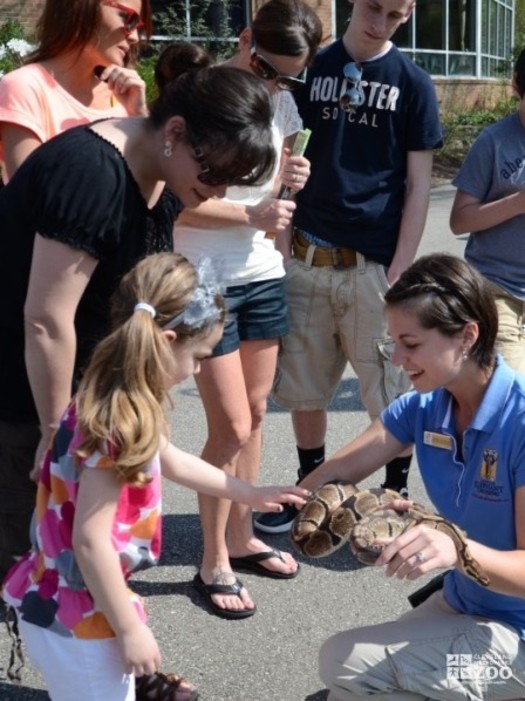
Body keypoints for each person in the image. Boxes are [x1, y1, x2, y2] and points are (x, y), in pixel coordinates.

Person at [0, 60, 276, 585]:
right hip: (25, 395)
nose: (218, 191)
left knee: (77, 564)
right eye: (215, 174)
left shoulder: (159, 171)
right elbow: (46, 318)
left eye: (232, 182)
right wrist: (55, 433)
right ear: (176, 132)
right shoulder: (91, 174)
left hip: (86, 398)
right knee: (30, 567)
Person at [2, 251, 309, 701]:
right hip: (78, 613)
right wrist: (129, 630)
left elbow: (172, 458)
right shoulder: (123, 423)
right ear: (166, 340)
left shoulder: (106, 391)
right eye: (200, 356)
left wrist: (249, 491)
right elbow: (90, 540)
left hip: (70, 588)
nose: (200, 368)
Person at [293, 253, 525, 701]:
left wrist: (455, 548)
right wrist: (266, 499)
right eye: (392, 344)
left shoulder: (520, 422)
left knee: (345, 662)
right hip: (467, 604)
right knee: (354, 678)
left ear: (467, 335)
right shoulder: (426, 406)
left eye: (411, 344)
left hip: (518, 641)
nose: (397, 359)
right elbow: (337, 472)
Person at [255, 0, 443, 536]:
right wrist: (284, 240)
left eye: (394, 15)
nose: (378, 22)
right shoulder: (313, 68)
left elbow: (419, 185)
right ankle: (307, 485)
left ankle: (394, 490)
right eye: (371, 8)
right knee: (305, 386)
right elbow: (287, 151)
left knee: (388, 387)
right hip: (308, 255)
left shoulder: (413, 83)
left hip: (372, 266)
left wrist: (401, 269)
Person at [172, 0, 323, 619]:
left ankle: (240, 532)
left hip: (262, 272)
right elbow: (173, 200)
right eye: (264, 65)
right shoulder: (195, 98)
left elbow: (275, 190)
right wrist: (251, 214)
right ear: (243, 39)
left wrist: (293, 181)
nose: (271, 83)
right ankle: (213, 559)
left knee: (257, 412)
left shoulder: (281, 105)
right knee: (230, 426)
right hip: (205, 279)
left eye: (286, 75)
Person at [0, 0, 152, 183]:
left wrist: (140, 118)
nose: (134, 36)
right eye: (128, 18)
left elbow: (163, 192)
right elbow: (32, 196)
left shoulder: (125, 100)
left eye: (137, 25)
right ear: (82, 6)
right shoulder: (25, 87)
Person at [449, 49, 525, 375]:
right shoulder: (493, 142)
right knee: (517, 393)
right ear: (516, 87)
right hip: (497, 290)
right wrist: (518, 202)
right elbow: (459, 220)